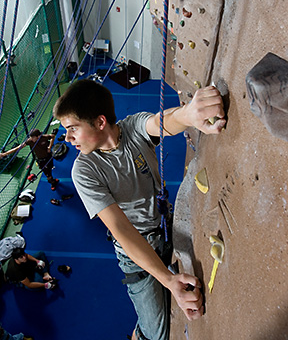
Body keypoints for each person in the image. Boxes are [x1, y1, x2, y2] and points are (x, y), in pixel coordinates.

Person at [53, 79, 226, 340]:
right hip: (136, 250)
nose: (68, 138)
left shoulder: (132, 128)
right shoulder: (85, 170)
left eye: (73, 128)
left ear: (100, 122)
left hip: (164, 227)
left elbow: (160, 122)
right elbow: (122, 230)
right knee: (156, 333)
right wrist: (168, 280)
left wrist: (188, 114)